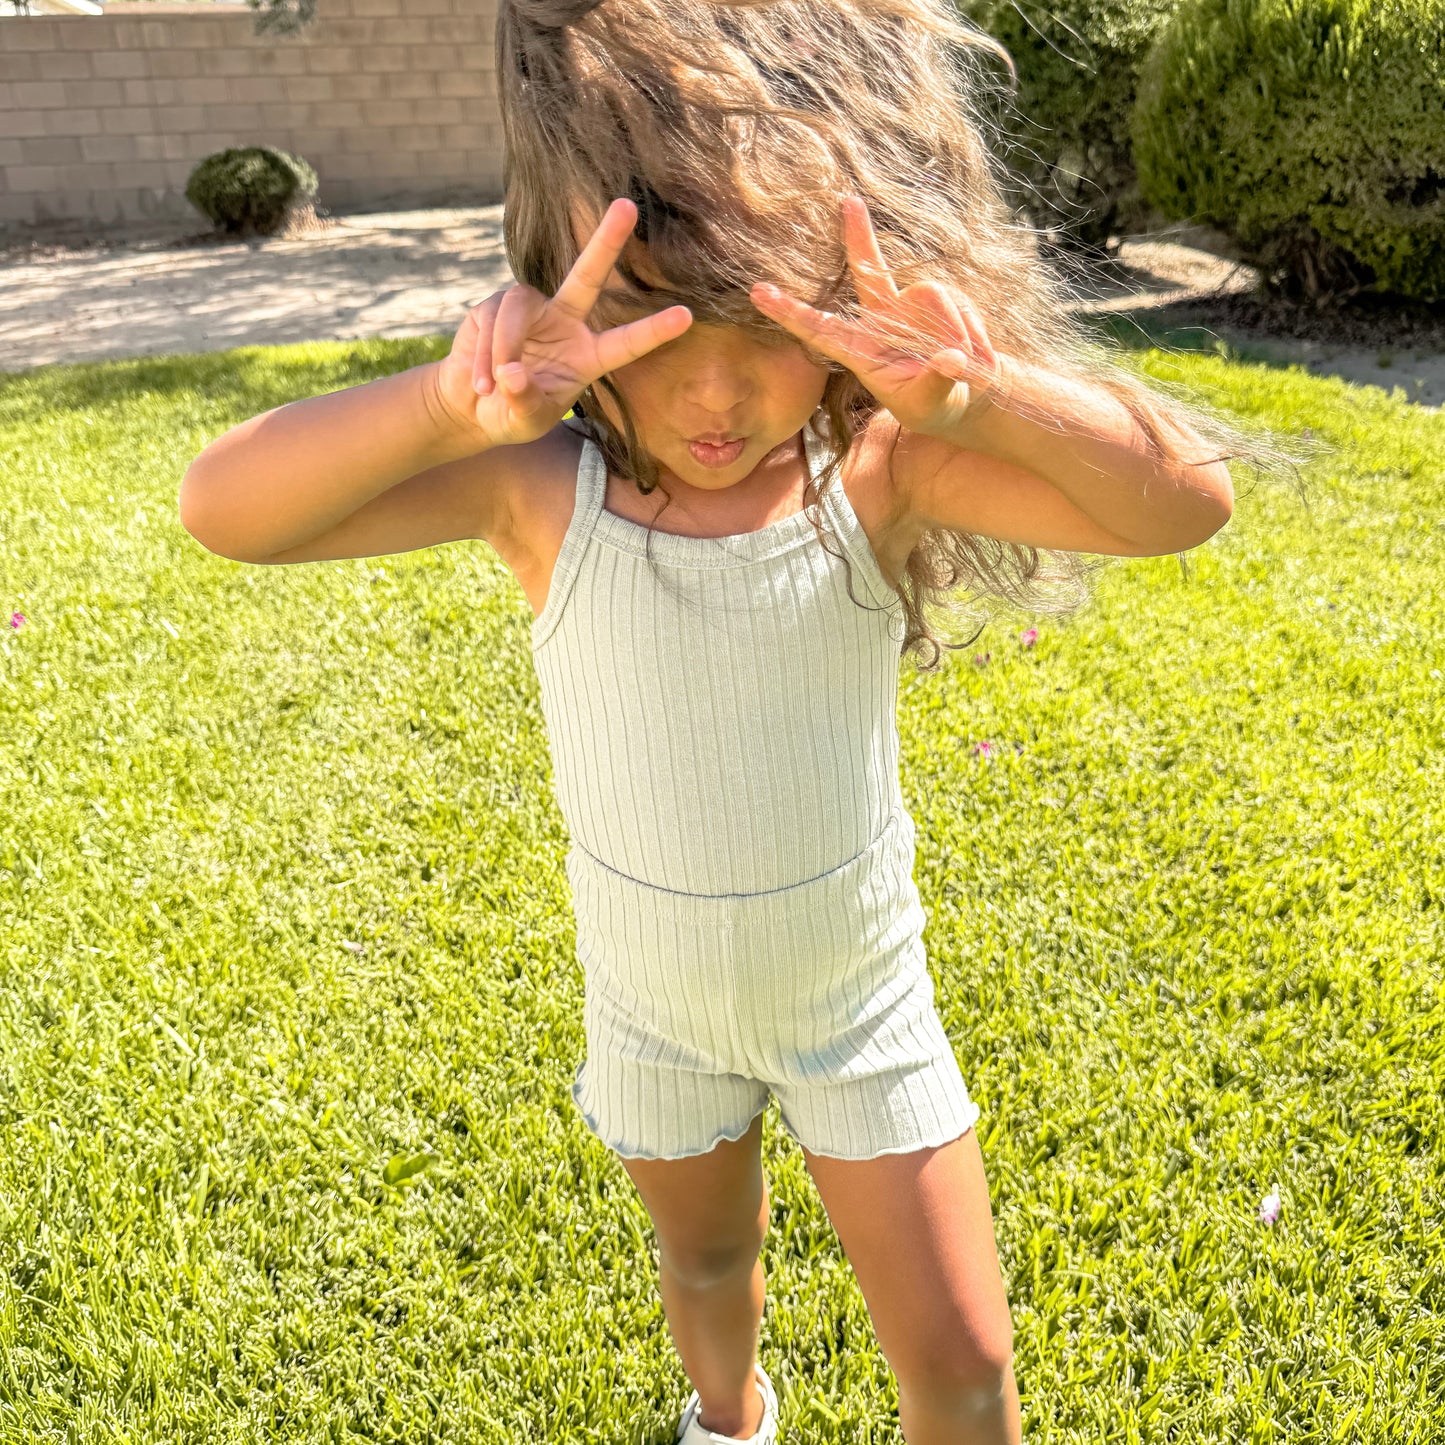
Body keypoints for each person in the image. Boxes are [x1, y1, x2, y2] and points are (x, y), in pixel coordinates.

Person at [179, 3, 1277, 1441]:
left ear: (849, 311)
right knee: (704, 1258)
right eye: (647, 319)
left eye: (767, 329)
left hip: (857, 1005)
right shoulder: (538, 492)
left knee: (962, 1360)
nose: (711, 391)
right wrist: (450, 410)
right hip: (654, 1005)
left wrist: (986, 393)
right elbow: (226, 509)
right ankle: (730, 1414)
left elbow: (1186, 499)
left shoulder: (873, 474)